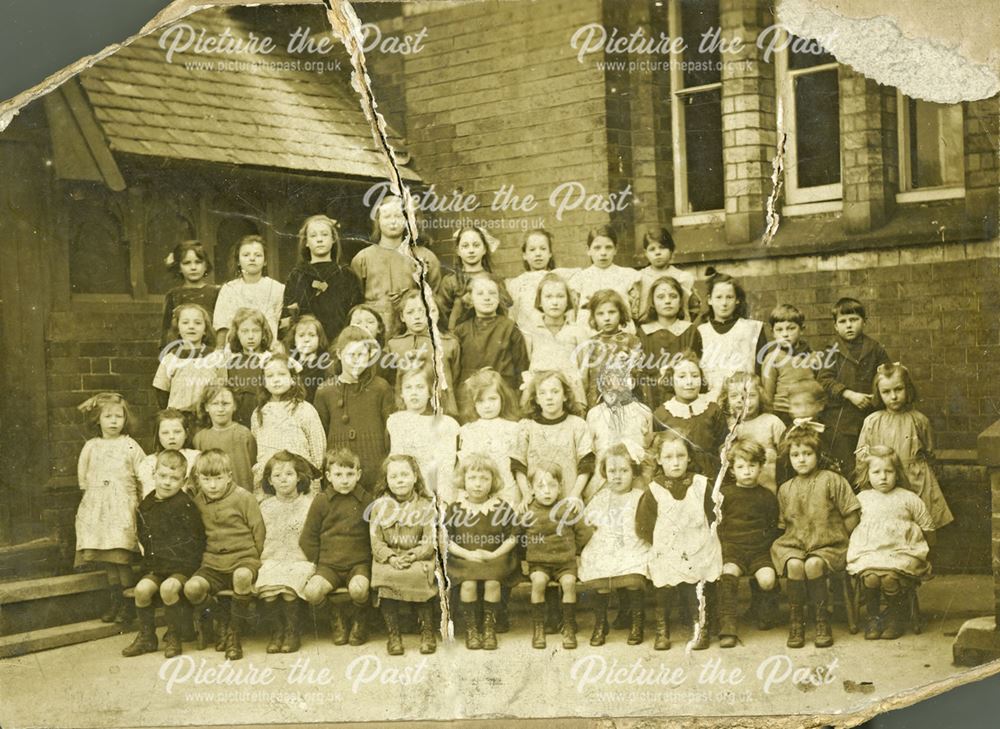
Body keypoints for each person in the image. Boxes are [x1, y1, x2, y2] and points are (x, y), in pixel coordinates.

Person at [771, 424, 860, 649]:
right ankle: (797, 622)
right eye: (795, 455)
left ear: (817, 455)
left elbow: (851, 514)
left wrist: (841, 538)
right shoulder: (785, 488)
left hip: (829, 544)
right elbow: (785, 525)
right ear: (789, 458)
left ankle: (822, 621)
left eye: (807, 454)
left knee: (813, 565)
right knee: (793, 565)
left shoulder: (831, 479)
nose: (801, 459)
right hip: (796, 543)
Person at [635, 432, 722, 651]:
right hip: (668, 546)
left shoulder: (701, 485)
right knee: (663, 577)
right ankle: (662, 628)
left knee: (699, 580)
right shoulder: (654, 490)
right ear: (659, 460)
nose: (675, 462)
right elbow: (644, 526)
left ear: (689, 458)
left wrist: (701, 542)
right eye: (669, 457)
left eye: (681, 456)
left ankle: (701, 625)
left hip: (699, 544)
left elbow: (714, 517)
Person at [122, 450, 205, 658]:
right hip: (157, 566)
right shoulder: (147, 504)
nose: (168, 482)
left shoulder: (185, 505)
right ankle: (147, 637)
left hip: (182, 567)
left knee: (169, 588)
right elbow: (143, 535)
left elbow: (195, 540)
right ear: (154, 474)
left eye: (175, 478)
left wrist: (184, 565)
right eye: (163, 476)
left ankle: (174, 635)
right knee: (141, 590)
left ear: (184, 480)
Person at [184, 450, 266, 661]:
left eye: (218, 478)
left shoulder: (243, 497)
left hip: (243, 559)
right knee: (192, 589)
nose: (212, 485)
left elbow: (259, 531)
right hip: (213, 562)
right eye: (206, 479)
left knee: (241, 577)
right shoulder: (197, 502)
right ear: (198, 479)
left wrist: (254, 560)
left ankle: (233, 635)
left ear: (229, 475)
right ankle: (221, 619)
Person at [848, 445, 936, 640]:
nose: (883, 477)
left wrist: (926, 553)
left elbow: (928, 526)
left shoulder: (908, 498)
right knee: (870, 578)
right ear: (867, 474)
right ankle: (874, 618)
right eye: (876, 472)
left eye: (889, 471)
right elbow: (851, 526)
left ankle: (896, 617)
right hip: (870, 551)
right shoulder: (862, 499)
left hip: (902, 552)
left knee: (889, 578)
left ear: (897, 473)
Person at [75, 392, 146, 624]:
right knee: (107, 557)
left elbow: (144, 473)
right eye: (108, 416)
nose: (114, 421)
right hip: (100, 509)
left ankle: (128, 604)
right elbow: (83, 475)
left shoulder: (129, 445)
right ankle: (115, 600)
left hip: (122, 508)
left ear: (126, 420)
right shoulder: (92, 446)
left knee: (120, 556)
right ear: (98, 419)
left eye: (119, 416)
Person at [857, 362, 953, 528]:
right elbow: (862, 456)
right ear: (879, 394)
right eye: (886, 392)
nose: (893, 396)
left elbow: (929, 452)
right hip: (885, 478)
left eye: (898, 389)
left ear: (907, 389)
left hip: (916, 480)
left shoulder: (919, 420)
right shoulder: (872, 421)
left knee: (921, 521)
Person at [443, 454, 519, 650]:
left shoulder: (501, 508)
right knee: (468, 584)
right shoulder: (455, 508)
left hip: (494, 558)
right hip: (464, 558)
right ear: (463, 480)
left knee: (493, 582)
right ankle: (472, 628)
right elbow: (446, 540)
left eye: (484, 478)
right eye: (472, 478)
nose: (478, 484)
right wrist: (468, 554)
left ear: (493, 481)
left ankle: (489, 627)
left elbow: (513, 537)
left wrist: (493, 555)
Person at [578, 443, 649, 646]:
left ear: (633, 472)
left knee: (634, 577)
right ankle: (601, 623)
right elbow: (588, 523)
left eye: (624, 471)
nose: (617, 476)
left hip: (633, 545)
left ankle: (637, 622)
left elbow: (646, 526)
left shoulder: (639, 497)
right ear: (605, 473)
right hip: (605, 545)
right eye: (612, 471)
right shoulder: (601, 498)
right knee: (601, 575)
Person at [301, 448, 374, 647]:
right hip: (329, 566)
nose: (344, 480)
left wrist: (369, 562)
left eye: (350, 474)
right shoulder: (322, 501)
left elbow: (374, 535)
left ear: (358, 474)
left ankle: (360, 620)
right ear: (328, 476)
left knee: (358, 590)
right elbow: (308, 538)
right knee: (312, 592)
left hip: (358, 564)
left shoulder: (366, 500)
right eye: (338, 475)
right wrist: (320, 561)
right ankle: (336, 618)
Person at [368, 454, 440, 656]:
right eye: (394, 476)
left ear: (415, 477)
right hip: (389, 558)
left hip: (417, 558)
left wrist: (413, 556)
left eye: (405, 474)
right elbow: (376, 541)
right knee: (386, 576)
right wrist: (391, 557)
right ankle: (394, 635)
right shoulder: (378, 507)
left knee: (420, 575)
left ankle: (427, 632)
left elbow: (429, 541)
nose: (400, 480)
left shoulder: (426, 506)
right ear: (387, 481)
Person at [816, 297, 892, 480]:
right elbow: (824, 380)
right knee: (848, 466)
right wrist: (849, 394)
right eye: (842, 321)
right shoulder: (831, 350)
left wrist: (877, 393)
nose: (848, 325)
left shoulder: (875, 349)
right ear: (835, 326)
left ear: (864, 321)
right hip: (840, 418)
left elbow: (887, 376)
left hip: (868, 415)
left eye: (854, 320)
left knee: (870, 461)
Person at [314, 326, 395, 492]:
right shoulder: (325, 391)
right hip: (340, 472)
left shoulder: (381, 387)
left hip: (374, 468)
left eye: (362, 355)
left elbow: (390, 430)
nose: (357, 360)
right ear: (339, 354)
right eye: (351, 355)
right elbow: (320, 435)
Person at [716, 438, 780, 648]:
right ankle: (728, 625)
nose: (747, 471)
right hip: (733, 549)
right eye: (741, 466)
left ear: (761, 467)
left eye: (752, 466)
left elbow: (772, 525)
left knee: (768, 580)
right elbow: (717, 523)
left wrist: (764, 547)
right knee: (728, 573)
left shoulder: (767, 496)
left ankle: (761, 609)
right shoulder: (725, 494)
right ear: (732, 470)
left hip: (759, 551)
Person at [521, 462, 592, 650]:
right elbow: (518, 536)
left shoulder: (567, 509)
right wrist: (525, 557)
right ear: (532, 489)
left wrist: (574, 551)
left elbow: (584, 533)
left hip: (564, 564)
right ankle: (539, 627)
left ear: (560, 486)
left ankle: (568, 625)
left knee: (569, 583)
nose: (547, 491)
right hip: (539, 563)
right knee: (538, 583)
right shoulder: (527, 511)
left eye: (552, 485)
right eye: (541, 486)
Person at [351, 195, 441, 337]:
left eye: (399, 216)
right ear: (378, 220)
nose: (393, 222)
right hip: (374, 332)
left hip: (413, 333)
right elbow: (355, 300)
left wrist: (410, 296)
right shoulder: (363, 258)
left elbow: (435, 296)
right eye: (387, 216)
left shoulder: (425, 257)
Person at [254, 451, 316, 654]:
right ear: (269, 481)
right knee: (269, 588)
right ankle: (277, 631)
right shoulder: (265, 506)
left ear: (298, 477)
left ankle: (292, 631)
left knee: (289, 588)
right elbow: (260, 537)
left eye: (289, 474)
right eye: (277, 476)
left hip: (300, 559)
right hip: (273, 557)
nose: (283, 480)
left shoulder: (309, 503)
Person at [516, 370, 594, 504]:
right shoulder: (526, 427)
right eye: (542, 393)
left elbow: (586, 464)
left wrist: (575, 495)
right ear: (536, 399)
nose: (549, 397)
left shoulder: (577, 425)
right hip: (536, 501)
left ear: (565, 396)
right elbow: (518, 464)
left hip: (569, 500)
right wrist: (526, 494)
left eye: (555, 391)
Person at [250, 354, 326, 491]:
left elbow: (318, 450)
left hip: (301, 481)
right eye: (270, 376)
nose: (276, 380)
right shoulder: (258, 413)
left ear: (292, 379)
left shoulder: (304, 409)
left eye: (282, 374)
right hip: (270, 482)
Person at [281, 214, 363, 341]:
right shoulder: (297, 275)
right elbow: (288, 315)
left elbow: (356, 313)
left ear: (333, 239)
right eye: (313, 236)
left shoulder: (346, 274)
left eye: (324, 235)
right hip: (307, 343)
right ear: (306, 242)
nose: (319, 239)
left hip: (339, 341)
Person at [386, 367, 460, 501]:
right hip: (406, 492)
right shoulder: (395, 422)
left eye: (420, 387)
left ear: (430, 392)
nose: (414, 393)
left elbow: (448, 465)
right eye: (408, 387)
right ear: (401, 392)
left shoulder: (446, 424)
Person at [651, 350, 727, 480]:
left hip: (710, 477)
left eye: (695, 376)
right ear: (671, 380)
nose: (689, 382)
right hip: (675, 478)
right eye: (682, 377)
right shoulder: (661, 414)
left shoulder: (712, 410)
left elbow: (723, 445)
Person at [384, 290, 460, 415]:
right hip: (406, 407)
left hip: (442, 409)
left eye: (423, 311)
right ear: (402, 317)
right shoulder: (394, 345)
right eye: (410, 312)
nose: (417, 316)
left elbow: (456, 376)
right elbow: (391, 379)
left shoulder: (448, 343)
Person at [456, 368, 524, 508]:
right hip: (476, 492)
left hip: (506, 491)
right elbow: (464, 469)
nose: (487, 406)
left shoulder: (514, 428)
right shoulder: (467, 430)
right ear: (473, 403)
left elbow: (519, 467)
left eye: (492, 399)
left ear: (502, 398)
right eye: (480, 401)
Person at [695, 271, 767, 399]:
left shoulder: (753, 329)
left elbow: (761, 370)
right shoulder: (700, 331)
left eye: (729, 297)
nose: (724, 303)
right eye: (718, 297)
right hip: (710, 401)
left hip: (745, 401)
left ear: (737, 300)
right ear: (709, 300)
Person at [520, 273, 588, 406]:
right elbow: (526, 364)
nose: (555, 302)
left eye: (560, 296)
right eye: (548, 297)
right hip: (540, 396)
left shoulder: (578, 331)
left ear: (568, 300)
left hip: (571, 396)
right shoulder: (530, 331)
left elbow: (584, 372)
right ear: (539, 301)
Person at [453, 274, 529, 393]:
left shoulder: (510, 328)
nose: (487, 298)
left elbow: (522, 366)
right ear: (471, 299)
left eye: (492, 293)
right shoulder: (461, 330)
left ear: (499, 298)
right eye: (480, 293)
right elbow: (455, 369)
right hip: (470, 392)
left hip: (503, 392)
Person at [637, 275, 703, 406]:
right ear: (652, 302)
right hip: (651, 396)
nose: (668, 301)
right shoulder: (643, 332)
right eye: (661, 297)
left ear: (680, 301)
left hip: (683, 395)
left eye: (673, 296)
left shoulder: (690, 331)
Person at [153, 303, 226, 416]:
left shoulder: (215, 357)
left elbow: (222, 387)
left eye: (197, 323)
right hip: (178, 418)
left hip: (207, 417)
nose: (191, 326)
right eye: (185, 322)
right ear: (178, 328)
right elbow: (162, 391)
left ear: (205, 329)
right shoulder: (170, 359)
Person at [720, 372, 786, 493]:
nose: (744, 402)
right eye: (734, 396)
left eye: (751, 395)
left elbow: (787, 457)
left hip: (769, 494)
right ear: (726, 400)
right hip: (738, 496)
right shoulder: (727, 427)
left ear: (760, 397)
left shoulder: (772, 422)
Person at [213, 234, 285, 343]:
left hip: (269, 351)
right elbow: (222, 327)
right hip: (236, 353)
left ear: (265, 261)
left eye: (258, 255)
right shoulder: (228, 290)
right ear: (238, 260)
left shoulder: (277, 289)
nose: (252, 258)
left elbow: (283, 326)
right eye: (246, 255)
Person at [437, 226, 511, 331]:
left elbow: (504, 312)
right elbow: (442, 314)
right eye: (465, 246)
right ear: (458, 250)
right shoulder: (451, 282)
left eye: (476, 245)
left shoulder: (494, 280)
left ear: (484, 249)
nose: (471, 250)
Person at [577, 289, 642, 408]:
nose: (606, 318)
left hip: (625, 400)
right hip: (597, 401)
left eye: (612, 312)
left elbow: (637, 373)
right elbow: (584, 379)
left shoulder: (631, 341)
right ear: (594, 317)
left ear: (621, 313)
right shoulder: (591, 344)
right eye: (600, 314)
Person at [567, 225, 641, 329]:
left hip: (621, 334)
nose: (603, 253)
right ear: (588, 250)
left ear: (616, 249)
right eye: (597, 248)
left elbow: (635, 313)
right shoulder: (579, 279)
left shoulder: (628, 275)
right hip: (588, 334)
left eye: (608, 247)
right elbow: (572, 315)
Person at [760, 304, 821, 426]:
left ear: (802, 329)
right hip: (782, 414)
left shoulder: (813, 356)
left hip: (808, 412)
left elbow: (819, 388)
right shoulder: (772, 359)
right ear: (773, 332)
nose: (785, 334)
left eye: (791, 328)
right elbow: (768, 397)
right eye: (779, 330)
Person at [506, 228, 578, 329]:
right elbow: (512, 314)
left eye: (543, 249)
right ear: (524, 255)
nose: (538, 254)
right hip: (528, 333)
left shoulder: (561, 276)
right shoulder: (517, 283)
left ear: (550, 254)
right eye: (532, 250)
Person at [193, 385, 257, 493]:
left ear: (235, 406)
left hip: (242, 496)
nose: (220, 409)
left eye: (226, 404)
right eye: (215, 404)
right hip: (212, 495)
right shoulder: (200, 438)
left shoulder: (244, 434)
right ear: (206, 407)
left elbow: (253, 464)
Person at [159, 240, 219, 350]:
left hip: (210, 352)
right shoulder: (174, 295)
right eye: (187, 263)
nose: (193, 267)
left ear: (206, 265)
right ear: (179, 267)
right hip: (182, 352)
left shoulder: (216, 292)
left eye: (198, 262)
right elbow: (167, 330)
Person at [635, 227, 698, 322]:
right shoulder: (639, 277)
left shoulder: (682, 278)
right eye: (652, 249)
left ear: (671, 250)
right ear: (645, 253)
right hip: (647, 328)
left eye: (662, 247)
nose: (657, 253)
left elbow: (693, 308)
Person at [137, 408, 199, 498]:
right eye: (165, 433)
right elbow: (148, 494)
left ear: (186, 433)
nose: (171, 437)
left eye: (177, 432)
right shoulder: (149, 463)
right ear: (158, 435)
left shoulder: (195, 458)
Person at [225, 307, 272, 427]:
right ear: (237, 334)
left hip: (263, 418)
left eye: (255, 331)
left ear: (263, 334)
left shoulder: (268, 360)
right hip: (238, 419)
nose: (250, 336)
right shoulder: (231, 362)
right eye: (245, 331)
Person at [282, 314, 331, 402]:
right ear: (294, 340)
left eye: (312, 335)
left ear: (319, 339)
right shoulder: (289, 364)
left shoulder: (325, 366)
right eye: (301, 335)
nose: (306, 340)